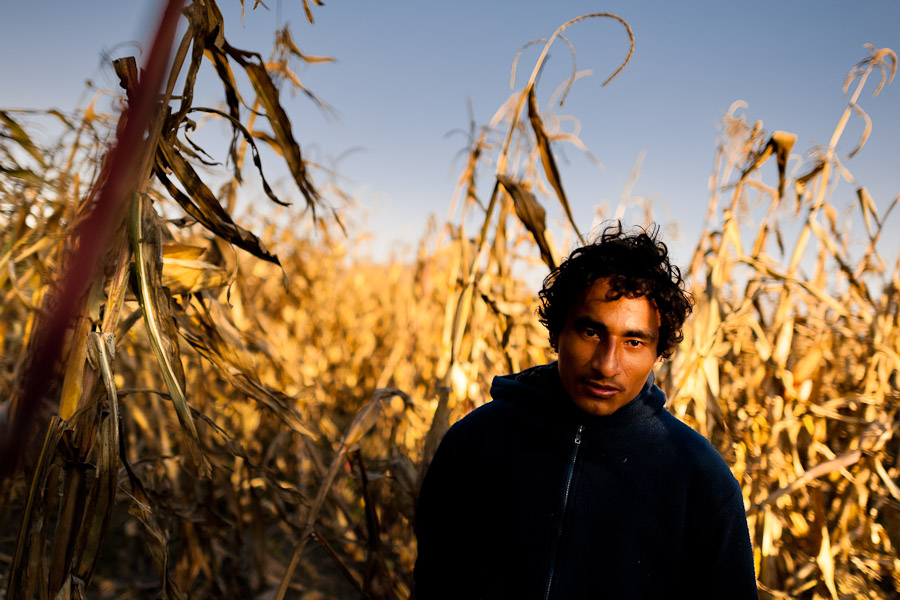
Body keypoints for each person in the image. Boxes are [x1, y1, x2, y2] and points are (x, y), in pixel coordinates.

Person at [414, 224, 758, 599]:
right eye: (591, 333)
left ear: (658, 353)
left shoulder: (700, 479)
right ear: (557, 331)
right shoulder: (475, 443)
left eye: (633, 341)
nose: (607, 365)